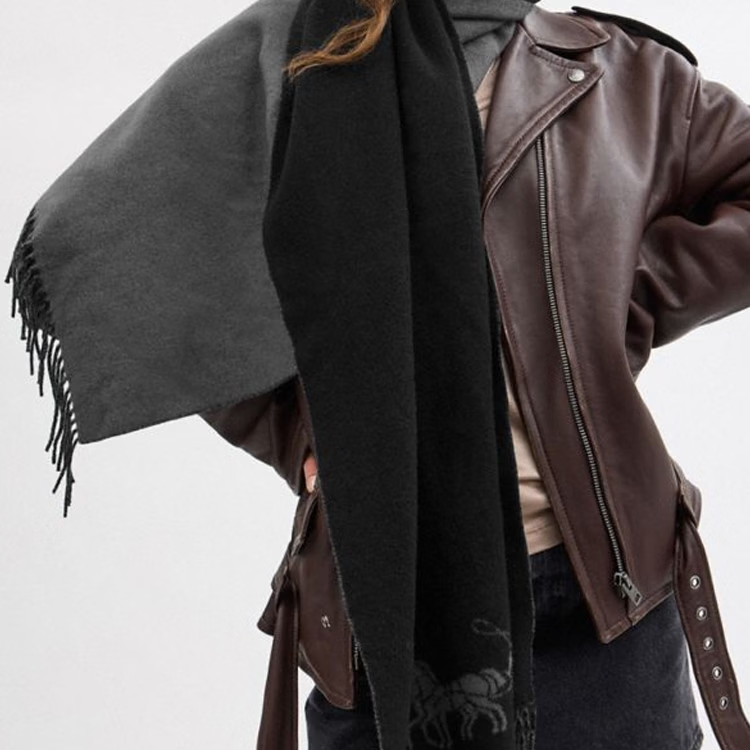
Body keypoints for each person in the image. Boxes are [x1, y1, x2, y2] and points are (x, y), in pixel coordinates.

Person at [5, 1, 750, 749]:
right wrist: (299, 430)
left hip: (604, 604)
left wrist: (620, 305)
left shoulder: (622, 72)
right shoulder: (297, 61)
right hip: (386, 611)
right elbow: (151, 259)